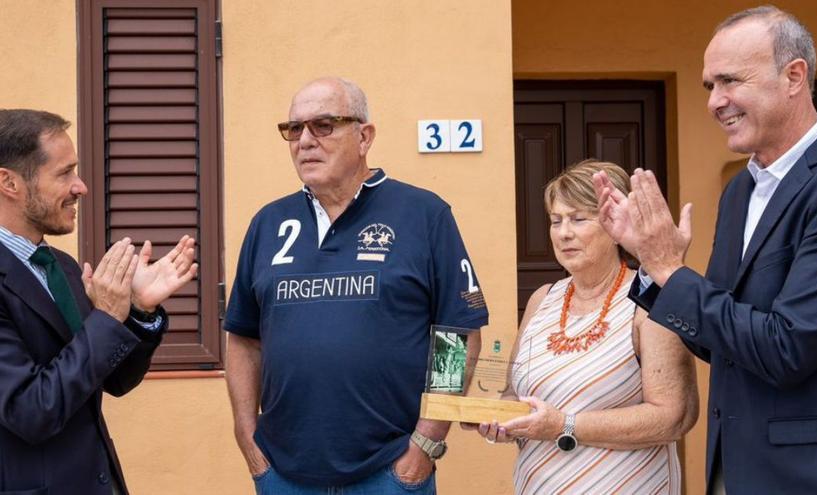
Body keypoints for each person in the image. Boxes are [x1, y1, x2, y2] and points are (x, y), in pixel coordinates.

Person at [594, 6, 817, 494]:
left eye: (729, 81)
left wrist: (672, 270)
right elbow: (721, 341)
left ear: (794, 76)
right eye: (710, 86)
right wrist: (654, 268)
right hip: (736, 470)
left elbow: (787, 348)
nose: (714, 102)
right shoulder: (741, 191)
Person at [224, 77, 488, 494]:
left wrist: (426, 442)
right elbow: (243, 337)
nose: (305, 141)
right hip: (283, 473)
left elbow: (456, 334)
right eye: (294, 129)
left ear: (364, 136)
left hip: (390, 472)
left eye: (323, 125)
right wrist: (246, 435)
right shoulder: (268, 224)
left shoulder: (423, 214)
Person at [469, 160, 698, 494]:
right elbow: (515, 394)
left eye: (578, 219)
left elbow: (672, 418)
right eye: (556, 220)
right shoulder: (541, 300)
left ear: (615, 224)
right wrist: (501, 419)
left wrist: (564, 425)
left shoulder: (651, 301)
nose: (564, 233)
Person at [0, 109, 198, 494]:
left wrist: (137, 311)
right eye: (64, 173)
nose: (81, 187)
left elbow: (115, 380)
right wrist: (106, 316)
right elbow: (31, 411)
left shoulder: (63, 268)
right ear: (8, 182)